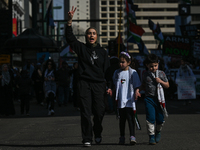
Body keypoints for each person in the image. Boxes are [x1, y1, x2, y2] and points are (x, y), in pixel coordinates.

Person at [65, 6, 112, 147]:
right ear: (86, 37)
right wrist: (69, 21)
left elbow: (107, 71)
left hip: (99, 84)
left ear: (97, 36)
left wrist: (109, 86)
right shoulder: (81, 48)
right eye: (89, 33)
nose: (91, 35)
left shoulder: (103, 52)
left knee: (99, 112)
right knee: (85, 112)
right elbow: (70, 38)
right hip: (84, 83)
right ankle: (87, 137)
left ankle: (97, 132)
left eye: (94, 33)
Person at [113, 51, 141, 145]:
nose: (121, 64)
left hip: (130, 99)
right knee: (122, 119)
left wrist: (137, 92)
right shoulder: (117, 72)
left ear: (128, 62)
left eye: (123, 62)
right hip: (121, 99)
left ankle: (132, 136)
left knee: (130, 118)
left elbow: (137, 85)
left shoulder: (133, 72)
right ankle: (122, 136)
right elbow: (115, 84)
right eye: (120, 62)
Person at [140, 54, 169, 145]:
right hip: (149, 98)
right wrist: (137, 90)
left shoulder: (161, 73)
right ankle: (151, 136)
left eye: (155, 66)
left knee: (160, 119)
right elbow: (143, 85)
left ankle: (158, 131)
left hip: (159, 99)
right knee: (150, 118)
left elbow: (167, 85)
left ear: (158, 64)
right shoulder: (145, 74)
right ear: (147, 66)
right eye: (151, 66)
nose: (153, 68)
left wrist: (160, 81)